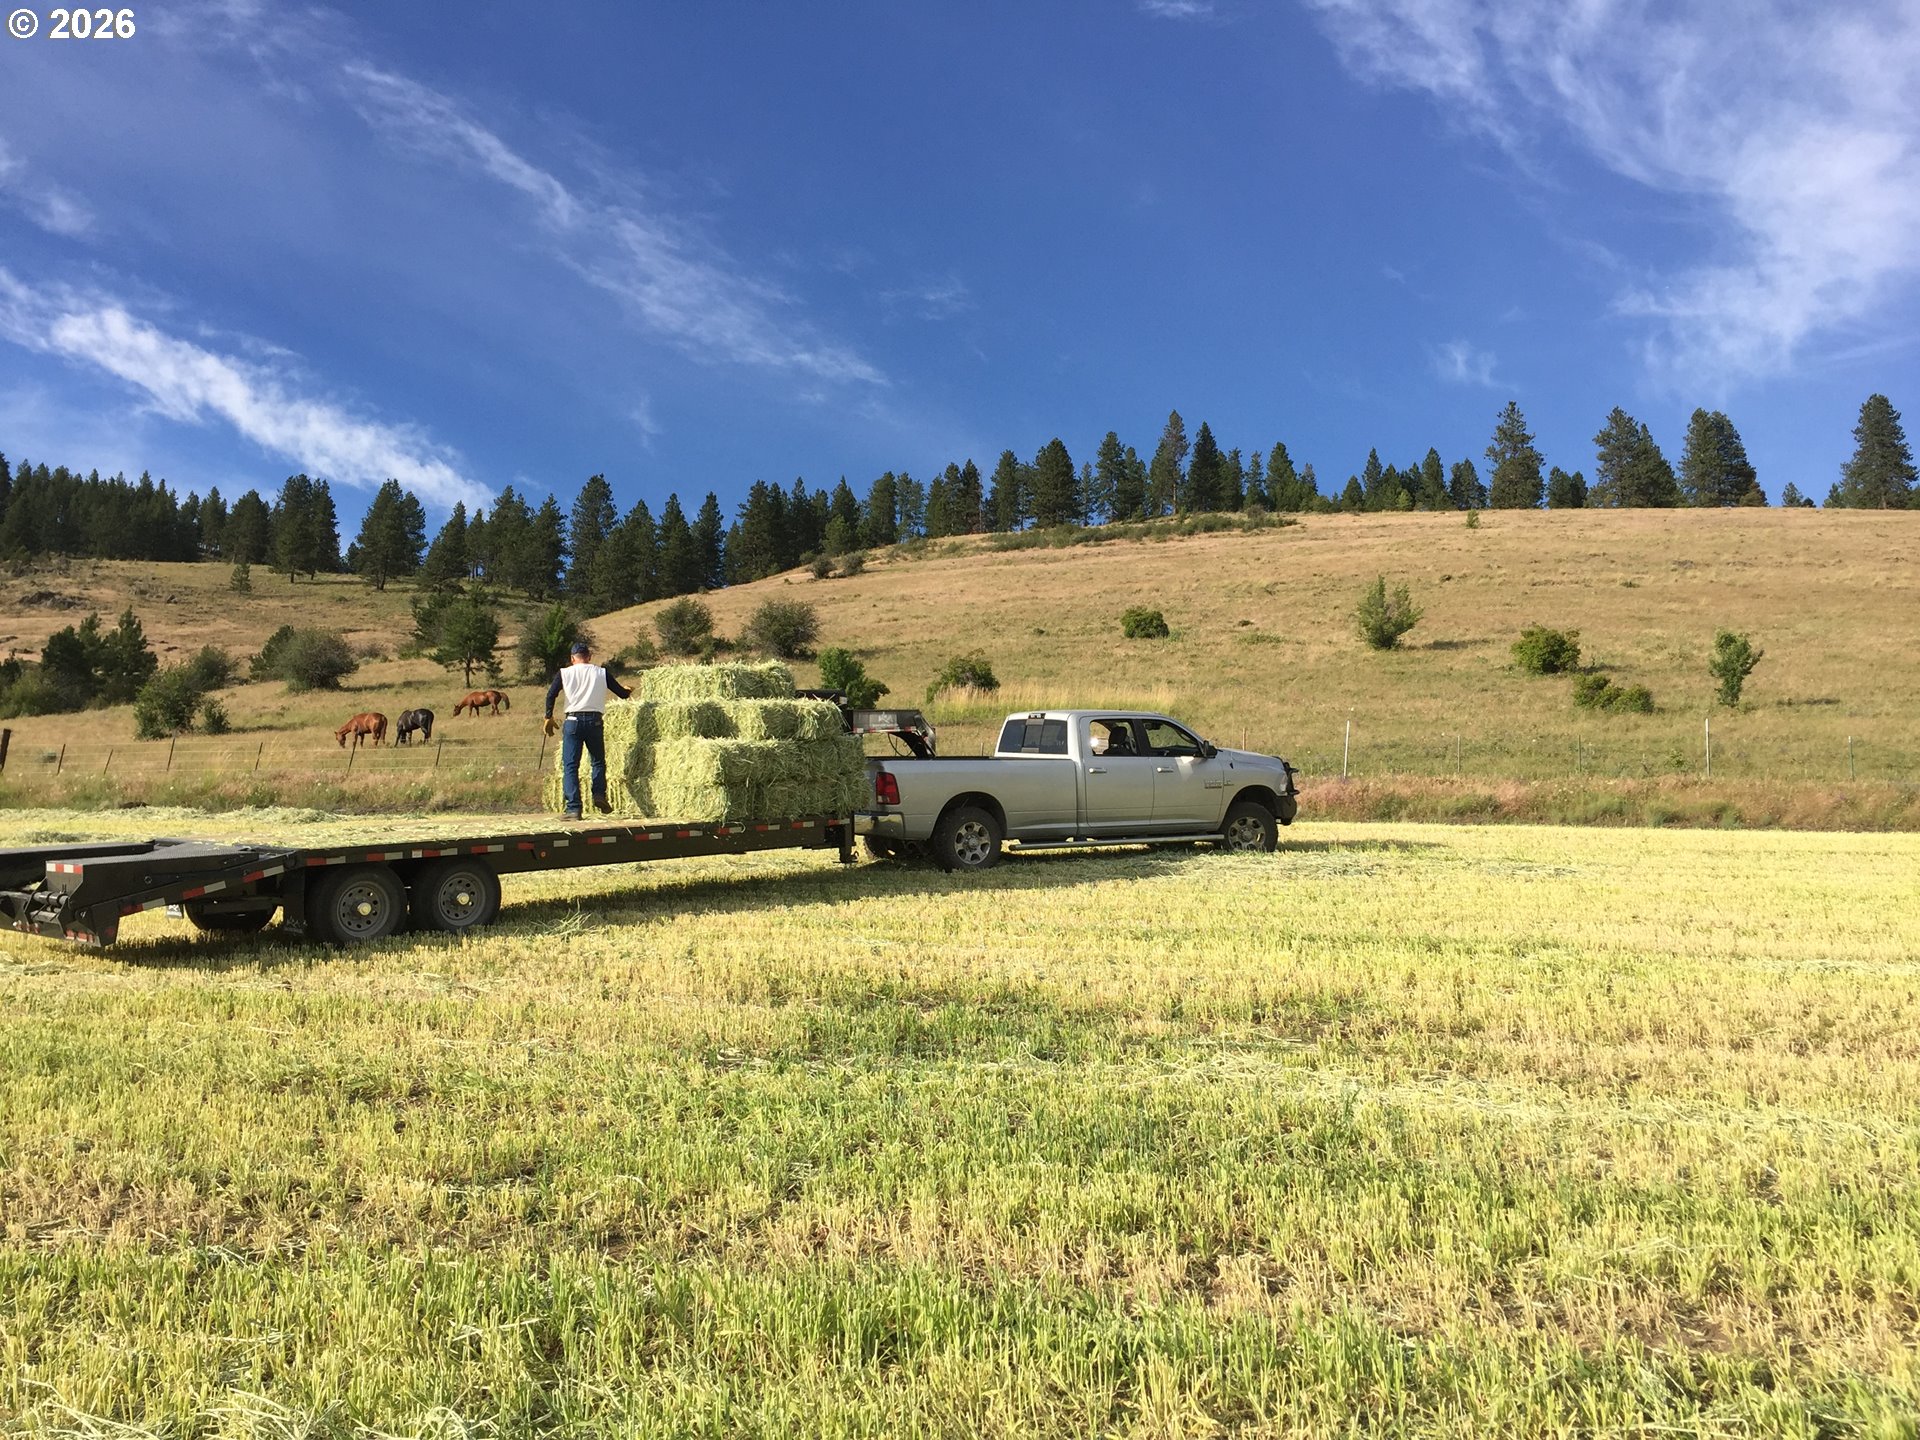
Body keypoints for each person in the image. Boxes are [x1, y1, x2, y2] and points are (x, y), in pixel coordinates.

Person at [543, 639, 632, 819]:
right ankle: (599, 794)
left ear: (572, 658)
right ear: (589, 657)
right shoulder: (601, 672)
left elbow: (551, 694)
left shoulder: (564, 673)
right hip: (595, 721)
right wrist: (628, 690)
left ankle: (574, 808)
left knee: (570, 766)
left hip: (573, 721)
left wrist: (548, 716)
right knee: (597, 761)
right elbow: (622, 694)